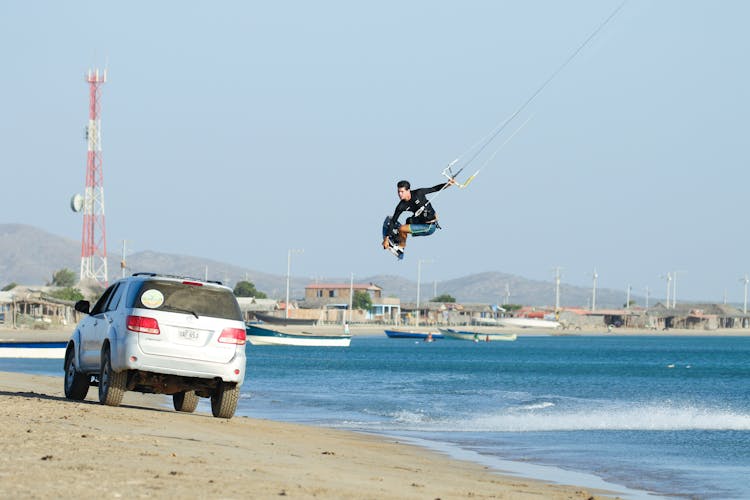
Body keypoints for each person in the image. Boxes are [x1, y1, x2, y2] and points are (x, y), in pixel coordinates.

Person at [383, 179, 455, 256]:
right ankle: (399, 238)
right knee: (407, 221)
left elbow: (434, 188)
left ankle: (401, 247)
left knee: (401, 229)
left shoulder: (419, 193)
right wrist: (386, 239)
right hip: (420, 221)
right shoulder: (401, 206)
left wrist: (448, 184)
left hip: (429, 226)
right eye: (398, 192)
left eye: (402, 192)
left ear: (408, 191)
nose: (400, 194)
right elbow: (393, 220)